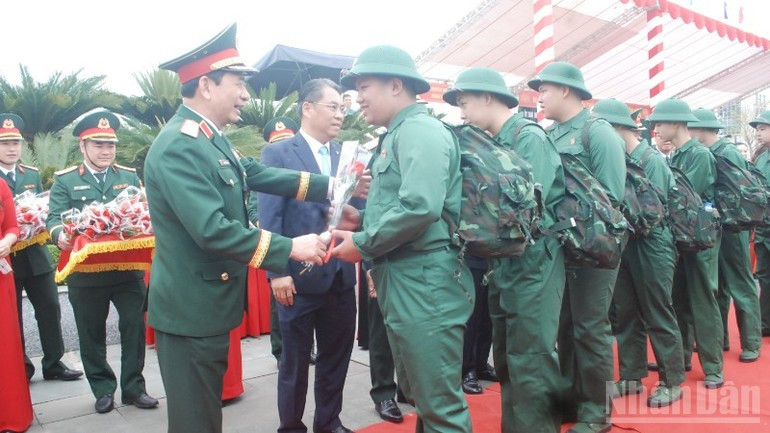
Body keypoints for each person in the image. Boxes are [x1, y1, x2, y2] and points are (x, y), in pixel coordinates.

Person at [145, 23, 336, 433]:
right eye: (239, 83)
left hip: (206, 307)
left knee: (205, 415)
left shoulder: (209, 138)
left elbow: (256, 172)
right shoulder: (179, 145)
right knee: (195, 420)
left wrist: (331, 185)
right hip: (190, 311)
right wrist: (290, 248)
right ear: (207, 86)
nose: (247, 95)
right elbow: (212, 230)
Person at [332, 44, 474, 433]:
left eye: (364, 87)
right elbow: (404, 206)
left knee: (439, 404)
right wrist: (359, 220)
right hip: (407, 278)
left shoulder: (420, 131)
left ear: (395, 85)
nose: (357, 98)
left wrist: (361, 244)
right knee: (421, 395)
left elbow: (421, 208)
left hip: (424, 281)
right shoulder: (398, 134)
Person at [443, 66, 565, 432]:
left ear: (487, 98)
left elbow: (528, 212)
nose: (461, 112)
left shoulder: (529, 139)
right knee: (511, 359)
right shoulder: (491, 142)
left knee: (533, 360)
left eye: (464, 103)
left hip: (534, 262)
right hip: (505, 265)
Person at [528, 61, 625, 433]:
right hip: (562, 246)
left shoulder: (597, 132)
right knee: (566, 326)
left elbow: (612, 198)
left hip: (594, 248)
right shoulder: (550, 135)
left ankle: (596, 413)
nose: (540, 97)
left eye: (545, 90)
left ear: (566, 90)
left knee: (590, 328)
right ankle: (571, 400)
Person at [258, 79, 357, 433]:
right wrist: (277, 272)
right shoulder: (279, 154)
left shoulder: (345, 155)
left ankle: (328, 422)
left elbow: (354, 213)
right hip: (296, 278)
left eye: (343, 108)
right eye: (333, 107)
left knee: (336, 359)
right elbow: (270, 217)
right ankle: (291, 426)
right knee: (295, 363)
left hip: (341, 275)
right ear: (308, 108)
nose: (340, 114)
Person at [46, 111, 158, 414]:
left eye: (110, 145)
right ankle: (103, 389)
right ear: (83, 146)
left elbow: (142, 211)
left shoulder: (128, 176)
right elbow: (53, 218)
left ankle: (135, 389)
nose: (106, 151)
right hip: (86, 273)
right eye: (98, 145)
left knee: (134, 330)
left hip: (127, 270)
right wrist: (60, 236)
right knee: (90, 333)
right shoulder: (66, 180)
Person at [591, 99, 685, 407]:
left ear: (618, 129)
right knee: (627, 312)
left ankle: (671, 381)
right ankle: (631, 376)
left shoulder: (650, 159)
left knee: (658, 311)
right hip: (627, 242)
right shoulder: (618, 157)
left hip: (653, 243)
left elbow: (654, 211)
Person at [648, 98, 725, 389]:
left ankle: (714, 367)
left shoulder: (699, 155)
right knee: (678, 298)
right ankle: (680, 357)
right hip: (681, 236)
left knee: (703, 300)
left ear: (678, 124)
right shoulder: (678, 155)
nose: (656, 128)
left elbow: (684, 198)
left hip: (700, 235)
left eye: (661, 122)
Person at [0, 113, 82, 383]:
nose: (12, 148)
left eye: (16, 143)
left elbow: (41, 213)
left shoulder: (31, 175)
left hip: (35, 255)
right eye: (5, 143)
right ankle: (21, 366)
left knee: (49, 307)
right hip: (6, 259)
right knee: (13, 316)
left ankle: (54, 362)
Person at [688, 108, 761, 363]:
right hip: (715, 227)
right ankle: (719, 340)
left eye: (691, 127)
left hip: (733, 227)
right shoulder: (708, 152)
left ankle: (751, 342)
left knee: (740, 283)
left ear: (701, 129)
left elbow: (742, 191)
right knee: (717, 287)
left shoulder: (726, 152)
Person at [248, 115, 301, 365]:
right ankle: (281, 350)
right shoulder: (265, 175)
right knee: (279, 297)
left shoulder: (303, 173)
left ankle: (306, 347)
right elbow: (254, 208)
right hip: (278, 242)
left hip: (305, 243)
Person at [0, 118, 33, 433]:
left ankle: (10, 415)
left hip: (0, 275)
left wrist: (6, 243)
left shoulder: (0, 185)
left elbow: (12, 225)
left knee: (4, 345)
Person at [749, 110, 770, 337]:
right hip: (764, 228)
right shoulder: (762, 156)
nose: (758, 133)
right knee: (764, 276)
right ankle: (766, 323)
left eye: (763, 128)